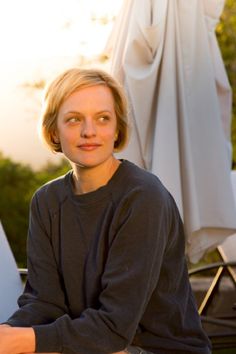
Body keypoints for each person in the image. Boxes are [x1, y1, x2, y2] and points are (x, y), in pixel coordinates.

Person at [0, 68, 211, 354]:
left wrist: (24, 341)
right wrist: (10, 333)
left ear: (117, 129)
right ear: (53, 130)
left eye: (103, 118)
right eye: (74, 119)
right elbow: (44, 302)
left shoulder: (143, 197)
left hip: (153, 348)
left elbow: (115, 327)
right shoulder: (47, 201)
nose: (89, 131)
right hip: (89, 343)